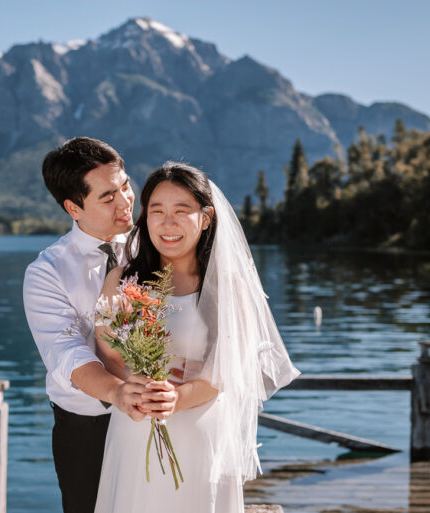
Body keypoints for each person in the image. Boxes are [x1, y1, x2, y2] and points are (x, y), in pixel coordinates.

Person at [93, 162, 300, 513]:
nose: (167, 223)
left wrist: (176, 397)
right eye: (157, 211)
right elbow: (108, 348)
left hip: (199, 430)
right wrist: (136, 383)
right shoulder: (122, 280)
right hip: (136, 424)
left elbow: (229, 371)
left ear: (205, 218)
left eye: (181, 211)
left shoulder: (229, 289)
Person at [23, 137, 176, 513]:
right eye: (108, 197)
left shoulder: (159, 244)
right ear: (74, 207)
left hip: (164, 415)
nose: (126, 202)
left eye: (125, 185)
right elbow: (67, 356)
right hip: (86, 432)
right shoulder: (47, 272)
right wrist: (121, 393)